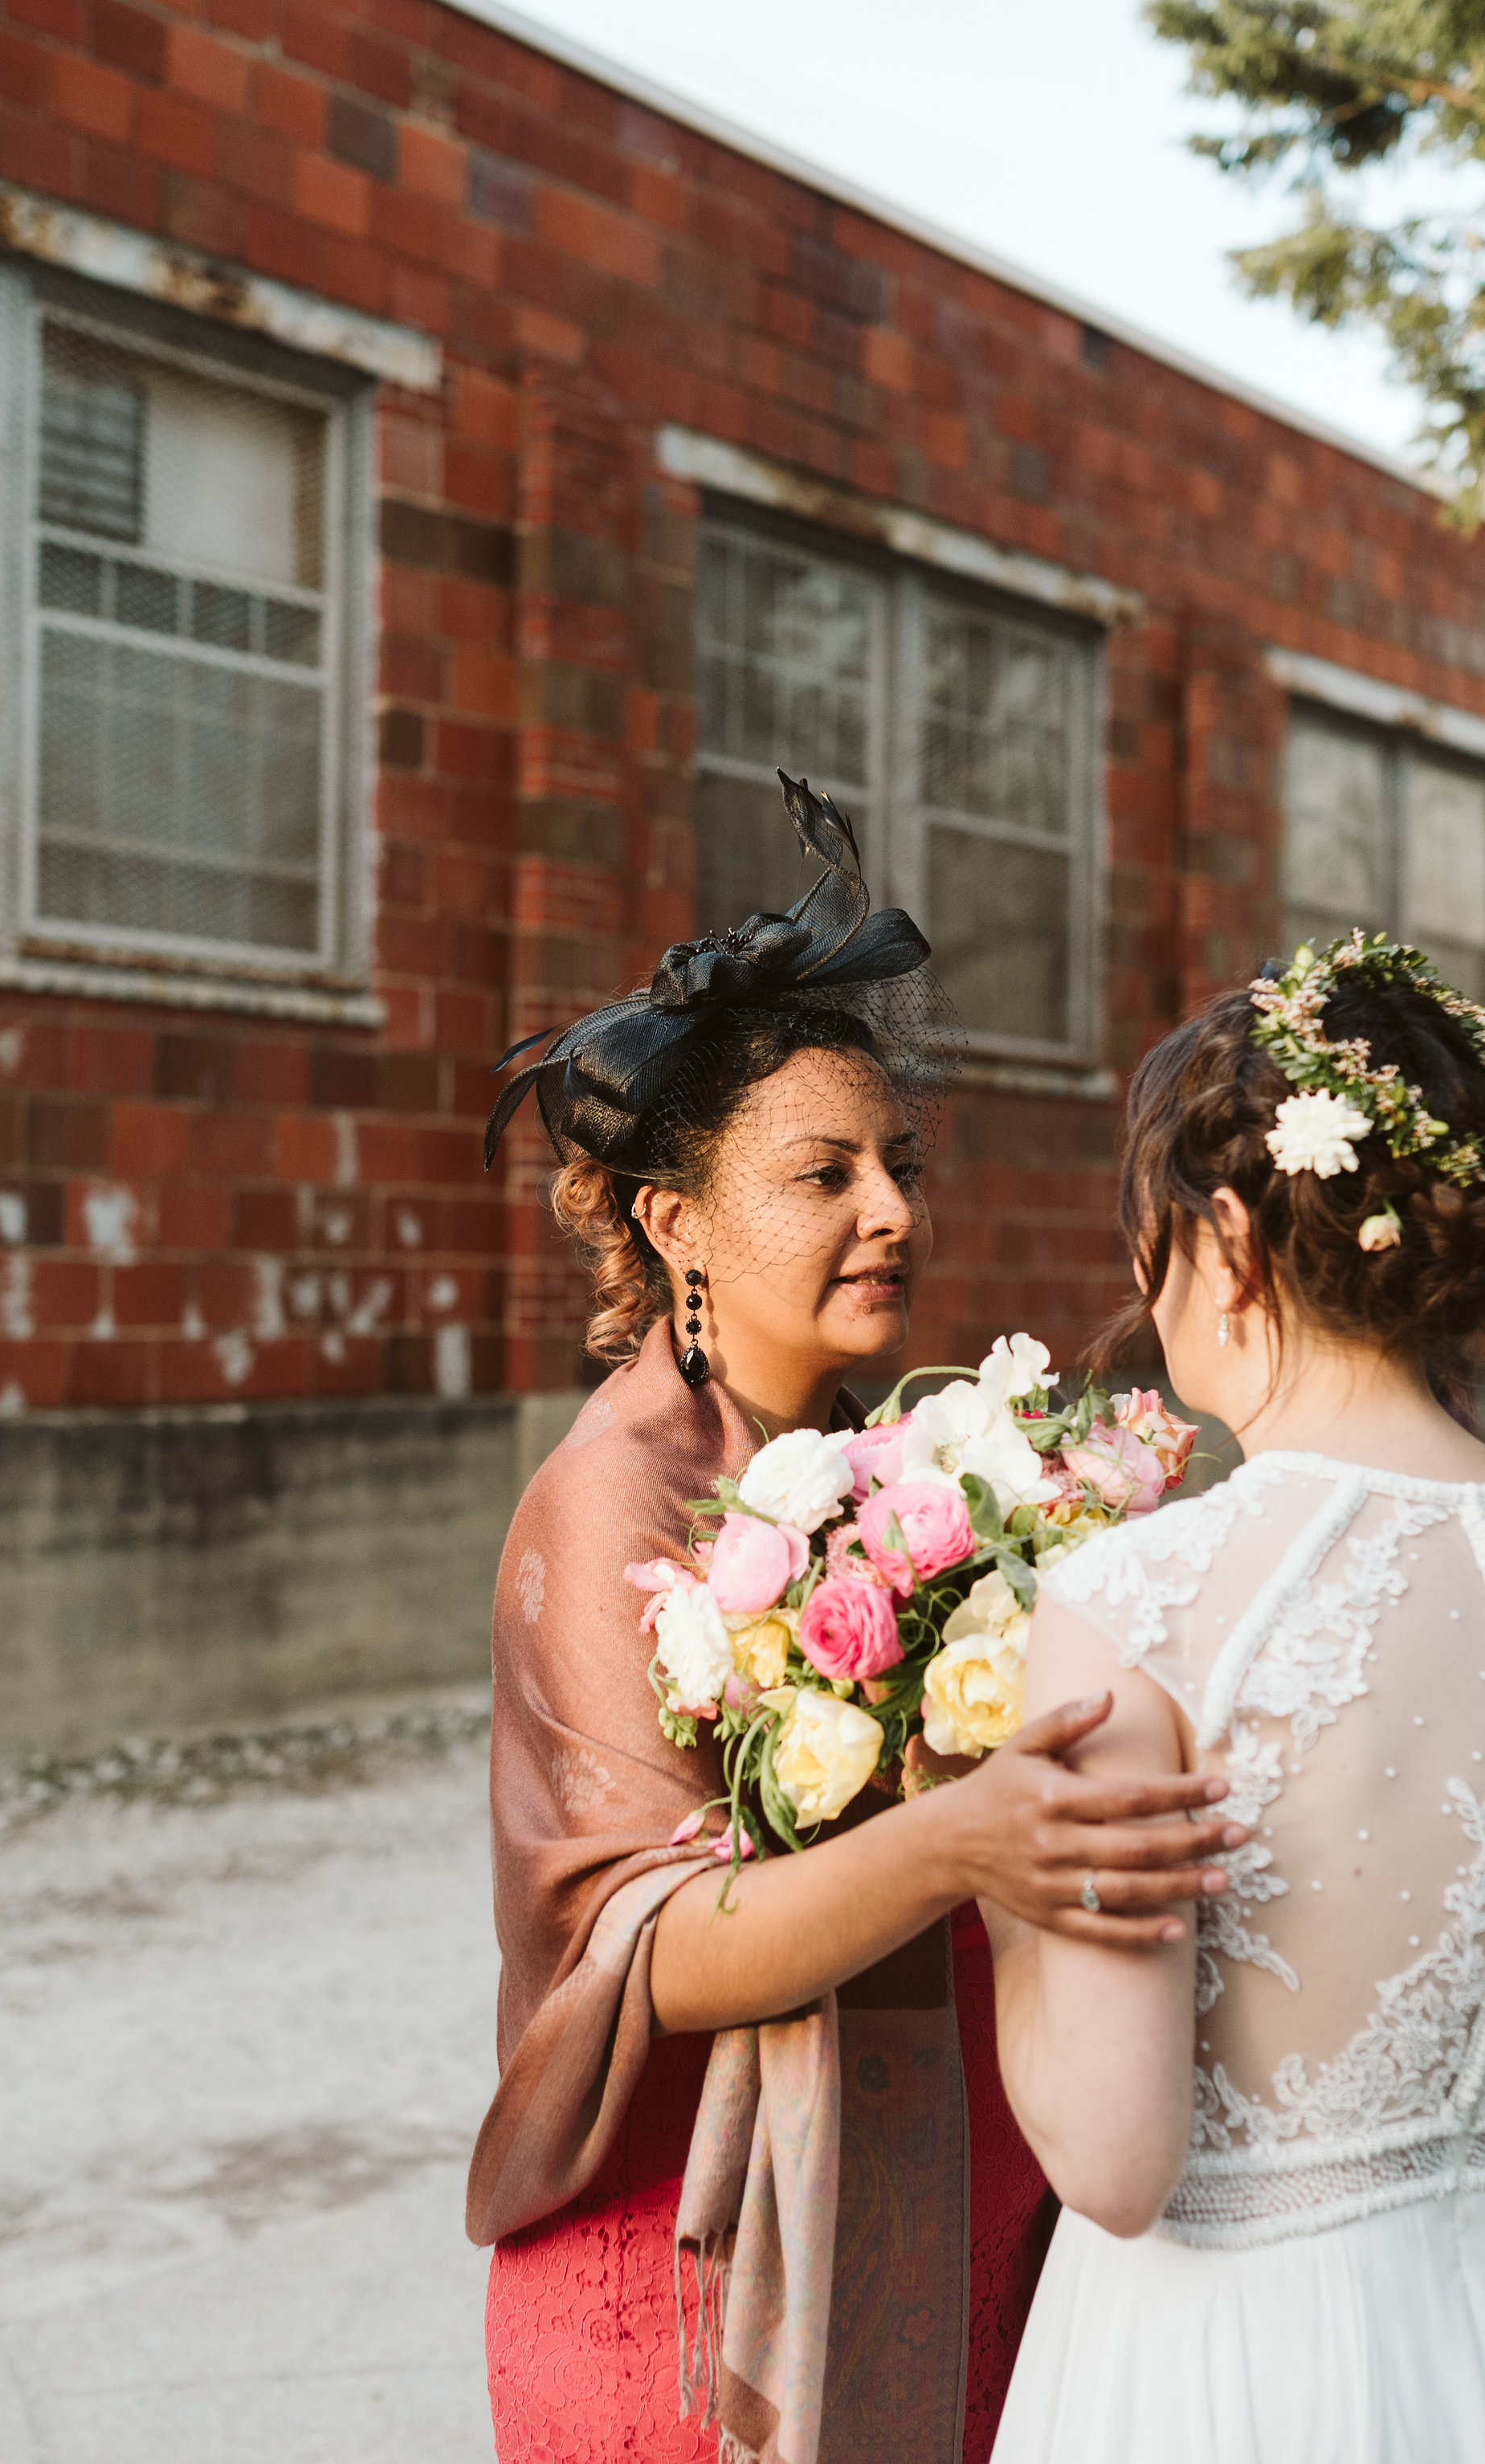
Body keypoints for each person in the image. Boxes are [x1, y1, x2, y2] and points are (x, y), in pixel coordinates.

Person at [467, 773, 1245, 2464]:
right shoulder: (605, 1499)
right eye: (822, 1172)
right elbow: (654, 1945)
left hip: (934, 2242)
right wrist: (967, 1837)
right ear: (673, 1218)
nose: (891, 1206)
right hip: (696, 2280)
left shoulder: (895, 1459)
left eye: (897, 1162)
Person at [989, 932, 1485, 2464]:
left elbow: (1116, 2160)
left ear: (1229, 1238)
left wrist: (1000, 1893)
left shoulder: (1147, 1607)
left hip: (1234, 2360)